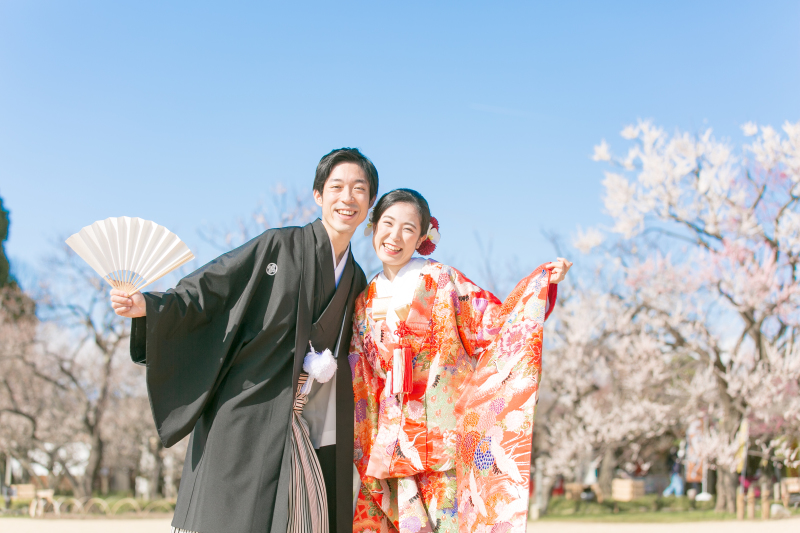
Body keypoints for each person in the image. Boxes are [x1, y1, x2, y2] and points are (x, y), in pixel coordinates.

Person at [110, 148, 377, 533]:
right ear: (318, 195)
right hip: (245, 408)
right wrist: (150, 307)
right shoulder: (277, 247)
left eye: (359, 189)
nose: (347, 197)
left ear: (368, 203)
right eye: (337, 187)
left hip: (302, 421)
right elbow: (214, 288)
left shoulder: (355, 279)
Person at [349, 189, 571, 533]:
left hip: (445, 443)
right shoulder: (364, 301)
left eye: (408, 229)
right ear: (373, 226)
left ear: (423, 237)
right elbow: (360, 378)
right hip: (392, 446)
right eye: (387, 223)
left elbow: (497, 325)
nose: (395, 237)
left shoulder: (443, 281)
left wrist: (540, 285)